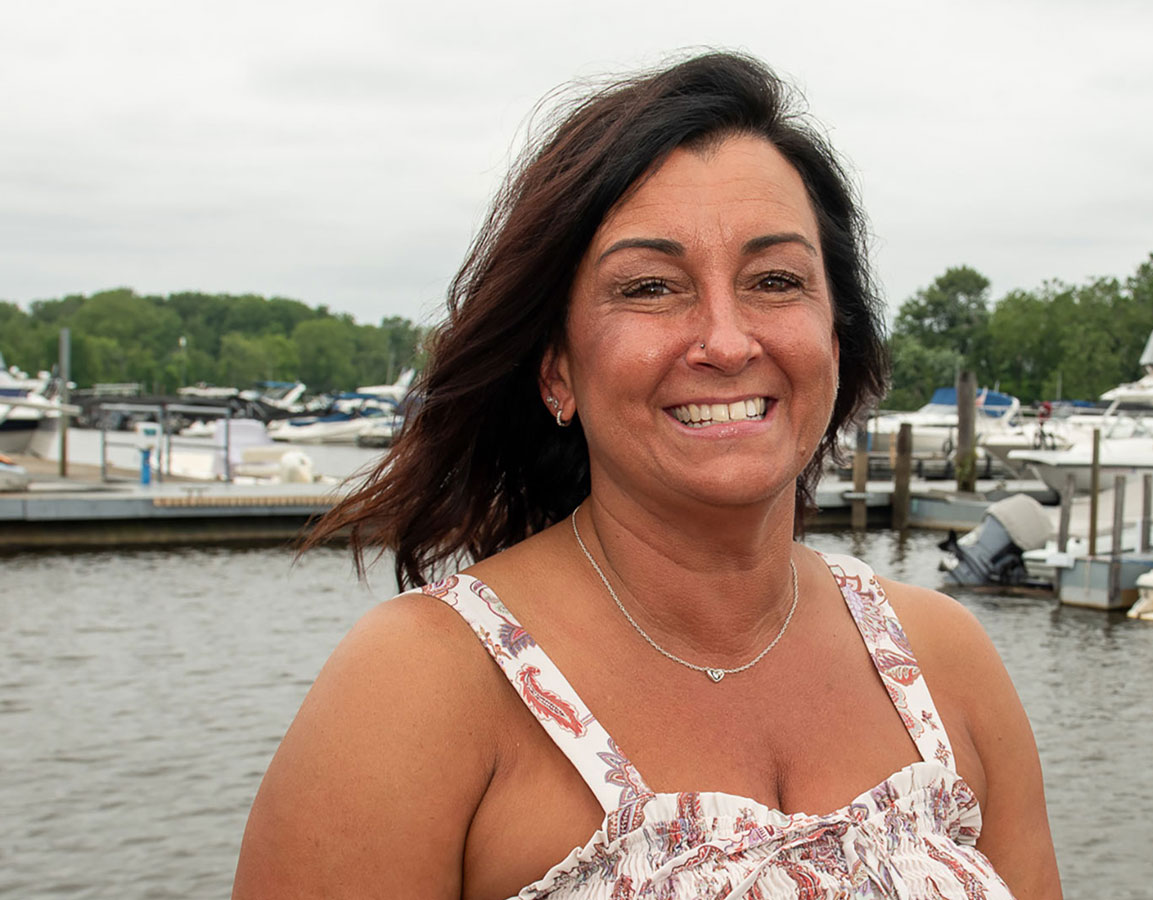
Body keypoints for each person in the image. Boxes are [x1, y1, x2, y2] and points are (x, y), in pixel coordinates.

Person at [233, 51, 1062, 899]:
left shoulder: (944, 660)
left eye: (776, 280)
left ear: (837, 339)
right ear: (556, 370)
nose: (729, 341)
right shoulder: (421, 685)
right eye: (652, 287)